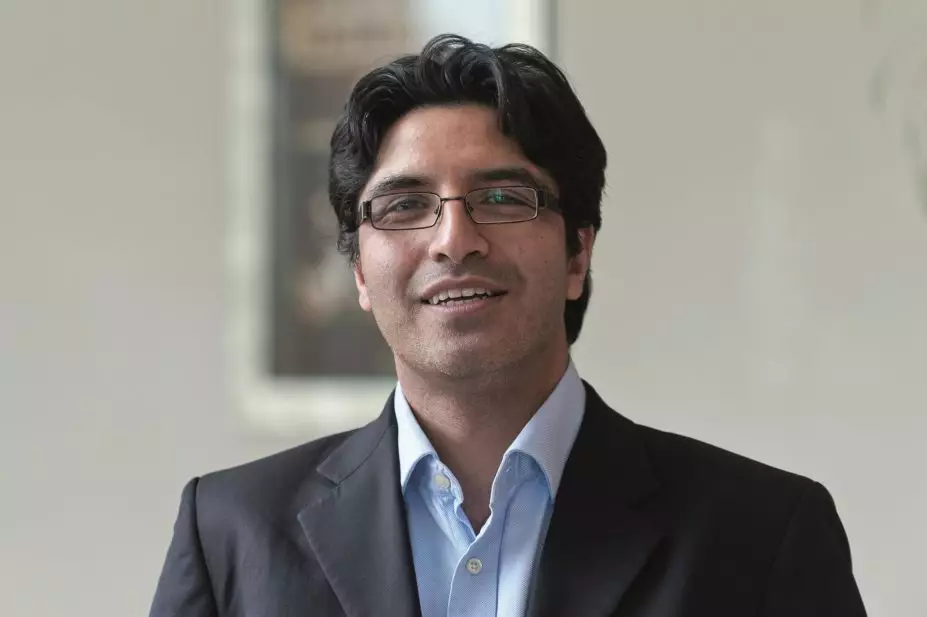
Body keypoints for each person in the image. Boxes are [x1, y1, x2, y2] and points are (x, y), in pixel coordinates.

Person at [150, 35, 867, 617]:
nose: (453, 240)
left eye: (500, 197)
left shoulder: (760, 534)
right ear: (360, 272)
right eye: (404, 205)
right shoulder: (231, 533)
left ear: (577, 252)